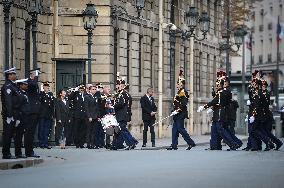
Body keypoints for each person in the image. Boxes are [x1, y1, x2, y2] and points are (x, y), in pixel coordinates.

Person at [197, 72, 242, 151]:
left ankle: (233, 144)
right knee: (214, 130)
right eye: (216, 85)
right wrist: (212, 108)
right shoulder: (220, 93)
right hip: (217, 113)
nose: (217, 86)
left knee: (221, 130)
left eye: (218, 85)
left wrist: (204, 107)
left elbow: (214, 102)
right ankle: (215, 146)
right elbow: (216, 102)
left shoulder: (223, 93)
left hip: (221, 114)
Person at [167, 71, 196, 150]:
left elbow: (184, 103)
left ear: (181, 84)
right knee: (175, 130)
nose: (177, 85)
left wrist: (178, 110)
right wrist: (174, 110)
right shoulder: (179, 92)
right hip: (177, 114)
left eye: (178, 83)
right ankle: (174, 145)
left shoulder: (183, 92)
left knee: (180, 129)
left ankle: (191, 143)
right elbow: (177, 103)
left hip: (181, 113)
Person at [112, 76, 138, 150]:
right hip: (122, 114)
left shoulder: (122, 94)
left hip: (122, 114)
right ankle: (117, 144)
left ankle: (132, 142)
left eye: (118, 85)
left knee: (122, 129)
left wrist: (113, 106)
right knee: (120, 130)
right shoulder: (122, 93)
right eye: (117, 85)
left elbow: (121, 103)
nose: (117, 86)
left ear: (122, 86)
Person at [1, 68, 20, 159]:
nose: (15, 76)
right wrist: (9, 115)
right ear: (9, 75)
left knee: (12, 134)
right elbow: (8, 102)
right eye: (14, 74)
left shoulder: (13, 85)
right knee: (8, 134)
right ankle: (6, 153)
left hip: (15, 113)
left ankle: (10, 153)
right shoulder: (8, 86)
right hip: (10, 114)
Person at [25, 69, 41, 157]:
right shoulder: (29, 82)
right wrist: (35, 77)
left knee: (32, 132)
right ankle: (29, 151)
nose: (37, 76)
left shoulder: (34, 82)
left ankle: (30, 151)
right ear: (32, 74)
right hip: (31, 111)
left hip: (35, 111)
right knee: (29, 132)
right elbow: (33, 84)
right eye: (36, 74)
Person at [16, 78, 31, 158]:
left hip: (26, 117)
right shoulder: (18, 93)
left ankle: (21, 152)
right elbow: (18, 107)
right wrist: (17, 118)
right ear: (21, 85)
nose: (26, 85)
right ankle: (18, 153)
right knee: (18, 136)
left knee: (23, 134)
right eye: (25, 84)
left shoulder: (25, 93)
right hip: (21, 117)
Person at [38, 82, 54, 149]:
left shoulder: (50, 94)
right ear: (43, 87)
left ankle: (46, 143)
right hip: (42, 115)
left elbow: (52, 104)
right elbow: (40, 99)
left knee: (47, 130)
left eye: (47, 87)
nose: (47, 88)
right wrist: (42, 91)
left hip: (49, 115)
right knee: (41, 129)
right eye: (45, 87)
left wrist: (53, 114)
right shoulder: (41, 94)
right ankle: (41, 143)